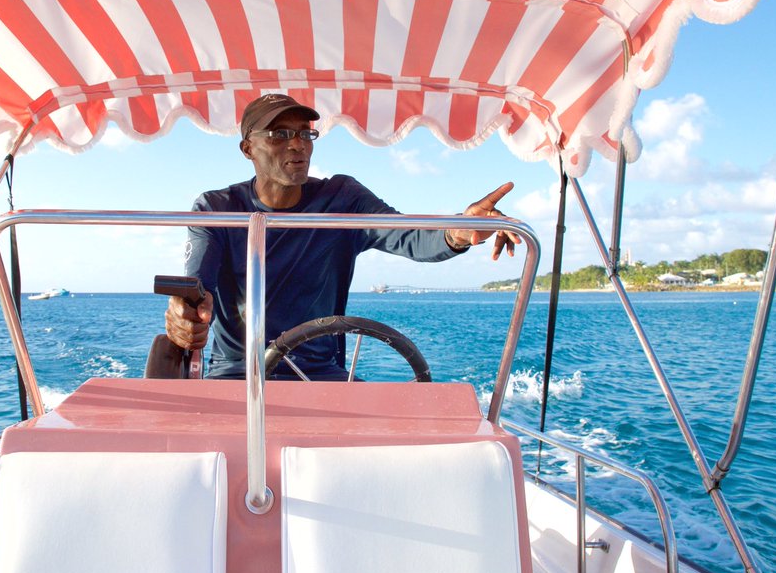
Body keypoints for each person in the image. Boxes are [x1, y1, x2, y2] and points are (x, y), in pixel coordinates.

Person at [162, 94, 522, 380]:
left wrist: (459, 231)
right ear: (247, 149)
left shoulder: (342, 199)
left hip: (321, 377)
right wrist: (184, 314)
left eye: (305, 133)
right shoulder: (217, 208)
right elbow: (197, 286)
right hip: (237, 376)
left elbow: (410, 235)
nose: (297, 144)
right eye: (279, 135)